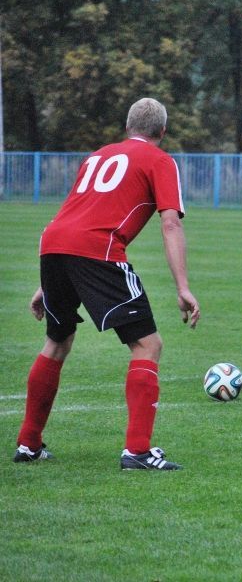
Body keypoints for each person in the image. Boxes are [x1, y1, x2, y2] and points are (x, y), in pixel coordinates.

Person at [12, 97, 200, 470]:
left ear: (128, 126)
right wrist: (182, 287)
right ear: (162, 132)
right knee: (148, 344)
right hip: (98, 249)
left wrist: (46, 282)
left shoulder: (97, 155)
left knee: (57, 340)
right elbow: (171, 223)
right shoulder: (160, 160)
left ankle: (28, 444)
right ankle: (138, 451)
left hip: (53, 245)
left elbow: (72, 212)